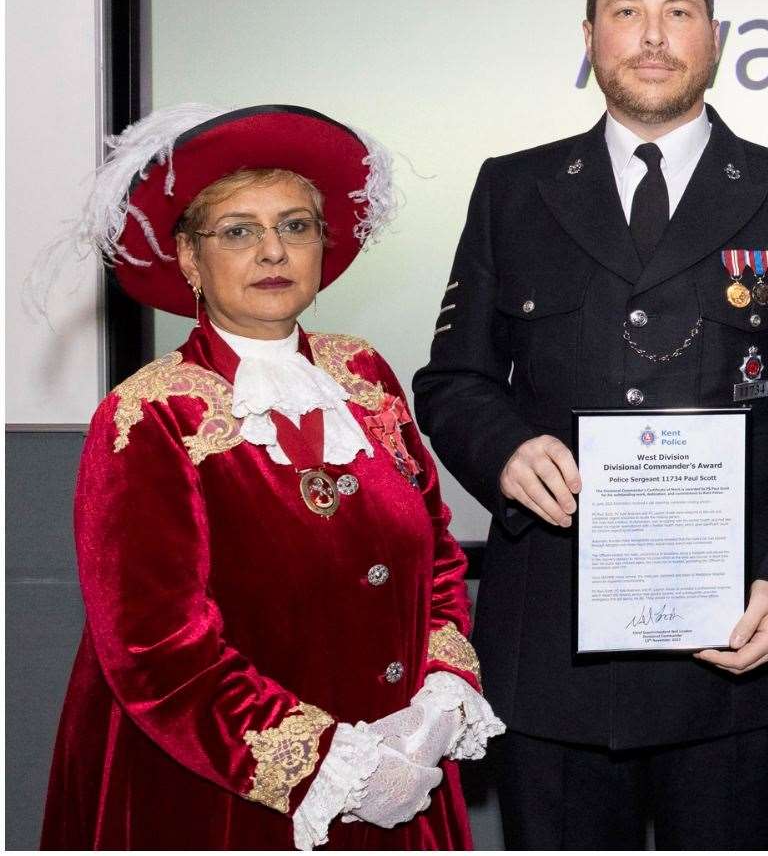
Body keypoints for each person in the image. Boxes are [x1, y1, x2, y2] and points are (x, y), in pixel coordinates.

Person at [413, 0, 768, 849]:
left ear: (715, 38)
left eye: (678, 13)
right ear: (588, 38)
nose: (653, 37)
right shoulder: (515, 190)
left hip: (735, 647)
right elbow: (453, 380)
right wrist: (503, 450)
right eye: (627, 13)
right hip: (555, 651)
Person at [41, 104, 503, 850]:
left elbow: (438, 555)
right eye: (238, 231)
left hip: (405, 775)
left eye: (295, 226)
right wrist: (336, 766)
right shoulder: (146, 417)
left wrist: (438, 706)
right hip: (226, 802)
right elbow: (157, 653)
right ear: (189, 260)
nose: (272, 252)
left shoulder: (364, 373)